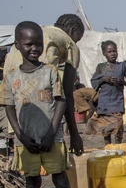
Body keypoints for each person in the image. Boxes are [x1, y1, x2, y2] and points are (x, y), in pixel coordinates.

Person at [2, 22, 79, 188]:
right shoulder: (11, 77)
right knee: (32, 182)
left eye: (38, 44)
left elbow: (61, 102)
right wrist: (20, 135)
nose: (35, 48)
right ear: (17, 45)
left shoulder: (50, 71)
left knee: (61, 180)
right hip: (26, 139)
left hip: (51, 138)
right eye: (29, 44)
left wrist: (51, 132)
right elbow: (8, 107)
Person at [3, 13, 86, 156]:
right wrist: (74, 135)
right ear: (72, 30)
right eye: (78, 38)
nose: (76, 42)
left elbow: (8, 102)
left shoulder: (38, 32)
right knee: (54, 162)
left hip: (16, 96)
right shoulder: (69, 43)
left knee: (28, 159)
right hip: (42, 108)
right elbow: (66, 93)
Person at [88, 41, 126, 144]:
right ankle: (108, 148)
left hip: (117, 101)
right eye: (109, 51)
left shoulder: (122, 66)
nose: (113, 54)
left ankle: (118, 146)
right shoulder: (101, 67)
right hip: (104, 102)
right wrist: (104, 79)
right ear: (104, 53)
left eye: (114, 51)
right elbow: (94, 82)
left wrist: (120, 81)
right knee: (106, 129)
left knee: (118, 127)